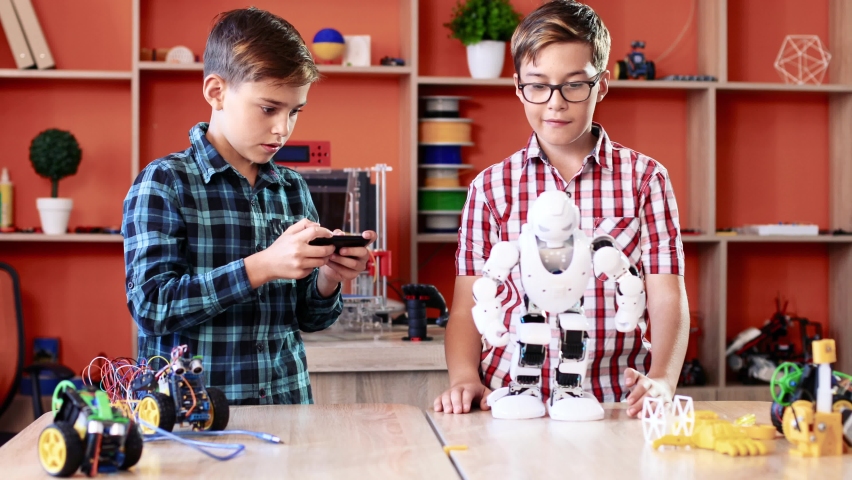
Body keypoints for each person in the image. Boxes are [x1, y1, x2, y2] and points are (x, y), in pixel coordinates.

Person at [434, 0, 688, 418]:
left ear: (601, 85)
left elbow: (666, 295)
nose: (555, 103)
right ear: (518, 86)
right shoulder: (490, 188)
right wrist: (464, 377)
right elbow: (466, 306)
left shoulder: (646, 179)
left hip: (615, 403)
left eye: (575, 84)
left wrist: (662, 379)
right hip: (509, 402)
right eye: (538, 85)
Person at [122, 7, 375, 405]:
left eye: (295, 111)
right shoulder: (164, 183)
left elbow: (311, 319)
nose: (283, 129)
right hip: (193, 419)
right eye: (269, 108)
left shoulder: (292, 189)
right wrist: (261, 266)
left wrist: (329, 278)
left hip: (288, 411)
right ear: (216, 92)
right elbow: (151, 307)